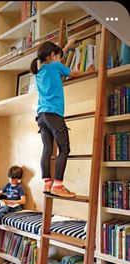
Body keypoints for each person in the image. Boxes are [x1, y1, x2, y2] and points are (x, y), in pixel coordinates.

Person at [30, 40, 95, 198]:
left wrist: (66, 46)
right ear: (52, 56)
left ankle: (48, 183)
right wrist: (91, 71)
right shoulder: (56, 66)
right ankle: (58, 185)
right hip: (54, 114)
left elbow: (57, 59)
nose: (61, 58)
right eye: (58, 55)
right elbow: (73, 73)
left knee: (47, 149)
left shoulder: (40, 71)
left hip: (41, 116)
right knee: (64, 149)